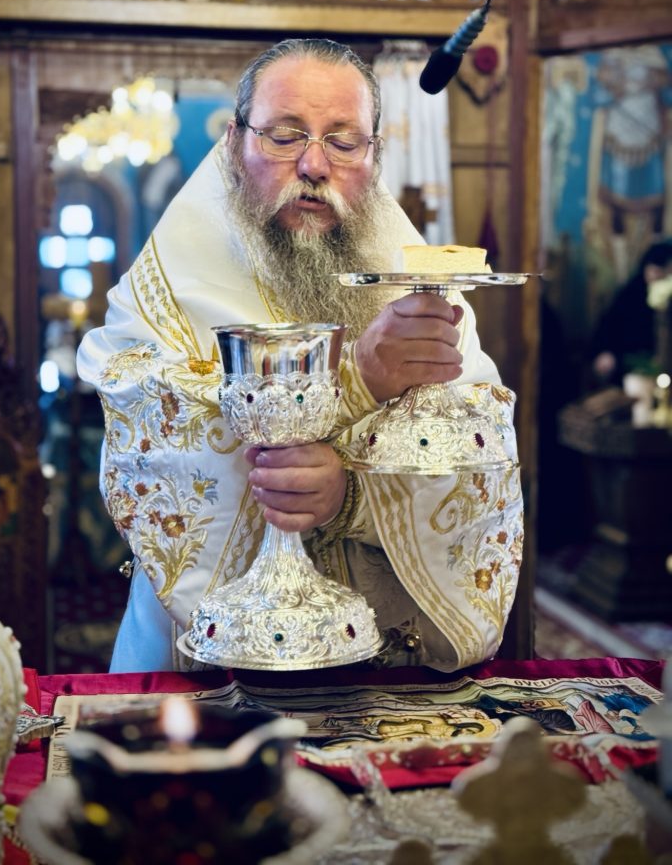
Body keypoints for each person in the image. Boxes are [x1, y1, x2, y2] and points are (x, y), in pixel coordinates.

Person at [77, 38, 523, 674]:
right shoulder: (166, 289)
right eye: (284, 136)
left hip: (388, 669)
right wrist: (358, 384)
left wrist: (352, 497)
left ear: (374, 154)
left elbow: (482, 463)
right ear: (235, 142)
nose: (314, 164)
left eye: (344, 142)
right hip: (207, 668)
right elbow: (155, 453)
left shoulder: (419, 288)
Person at [590, 238, 672, 386]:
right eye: (654, 270)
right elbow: (610, 326)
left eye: (664, 272)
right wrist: (607, 352)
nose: (657, 276)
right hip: (629, 361)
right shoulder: (632, 293)